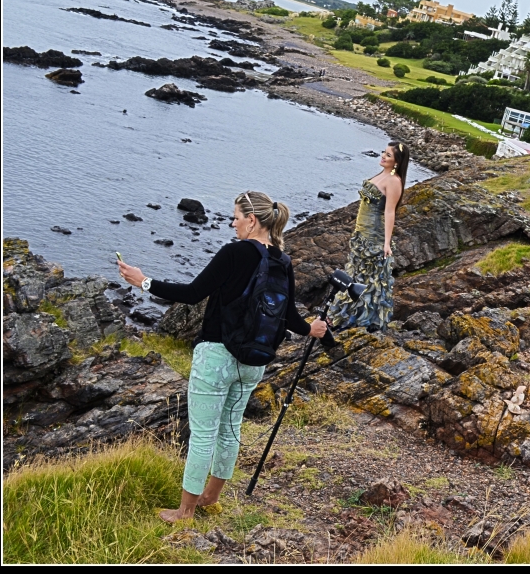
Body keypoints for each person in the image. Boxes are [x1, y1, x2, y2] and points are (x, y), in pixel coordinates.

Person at [117, 191, 327, 523]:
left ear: (252, 220)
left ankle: (184, 511)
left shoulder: (234, 253)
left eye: (235, 217)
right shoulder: (282, 261)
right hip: (254, 362)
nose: (232, 223)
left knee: (203, 434)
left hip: (217, 355)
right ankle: (210, 498)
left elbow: (192, 293)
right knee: (230, 429)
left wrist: (143, 282)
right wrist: (312, 329)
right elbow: (289, 317)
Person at [328, 141, 409, 332]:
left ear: (397, 161)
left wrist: (387, 243)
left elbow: (390, 213)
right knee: (355, 273)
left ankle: (360, 320)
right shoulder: (382, 174)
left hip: (374, 235)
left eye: (388, 155)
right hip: (361, 232)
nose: (383, 156)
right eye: (384, 152)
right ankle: (345, 316)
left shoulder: (394, 181)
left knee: (369, 279)